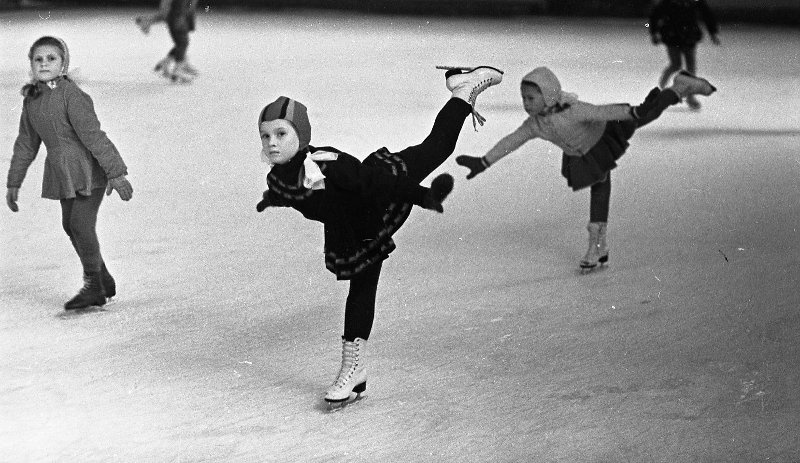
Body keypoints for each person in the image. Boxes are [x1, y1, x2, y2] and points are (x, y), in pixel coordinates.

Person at [255, 66, 503, 406]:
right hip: (349, 228)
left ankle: (465, 89)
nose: (272, 143)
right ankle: (460, 90)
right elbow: (291, 194)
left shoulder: (328, 164)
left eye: (281, 133)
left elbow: (375, 184)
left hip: (380, 201)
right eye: (266, 136)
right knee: (435, 147)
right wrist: (271, 200)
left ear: (301, 135)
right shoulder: (278, 179)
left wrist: (422, 196)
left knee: (439, 145)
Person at [454, 67, 715, 271]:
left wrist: (632, 111)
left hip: (604, 137)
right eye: (524, 98)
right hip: (582, 155)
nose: (526, 103)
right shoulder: (535, 124)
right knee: (600, 184)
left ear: (548, 94)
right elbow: (512, 140)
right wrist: (484, 161)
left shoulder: (572, 110)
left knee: (647, 115)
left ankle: (678, 87)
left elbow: (601, 112)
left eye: (531, 97)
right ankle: (598, 245)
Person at [6, 36, 133, 311]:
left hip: (88, 170)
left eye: (51, 58)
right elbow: (26, 143)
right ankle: (102, 279)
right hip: (62, 172)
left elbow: (94, 136)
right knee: (70, 225)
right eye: (38, 59)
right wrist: (14, 181)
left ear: (63, 64)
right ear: (30, 64)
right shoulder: (33, 100)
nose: (44, 63)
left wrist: (116, 172)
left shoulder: (71, 95)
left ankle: (93, 285)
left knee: (80, 225)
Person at [649, 0, 720, 110]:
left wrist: (713, 32)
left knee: (690, 67)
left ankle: (690, 97)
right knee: (676, 64)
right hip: (673, 35)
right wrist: (654, 32)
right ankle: (660, 89)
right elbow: (656, 15)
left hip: (688, 35)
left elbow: (706, 14)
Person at [135, 0, 200, 83]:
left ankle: (170, 63)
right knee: (182, 42)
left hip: (179, 17)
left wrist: (189, 23)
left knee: (182, 42)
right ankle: (178, 68)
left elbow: (189, 6)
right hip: (177, 18)